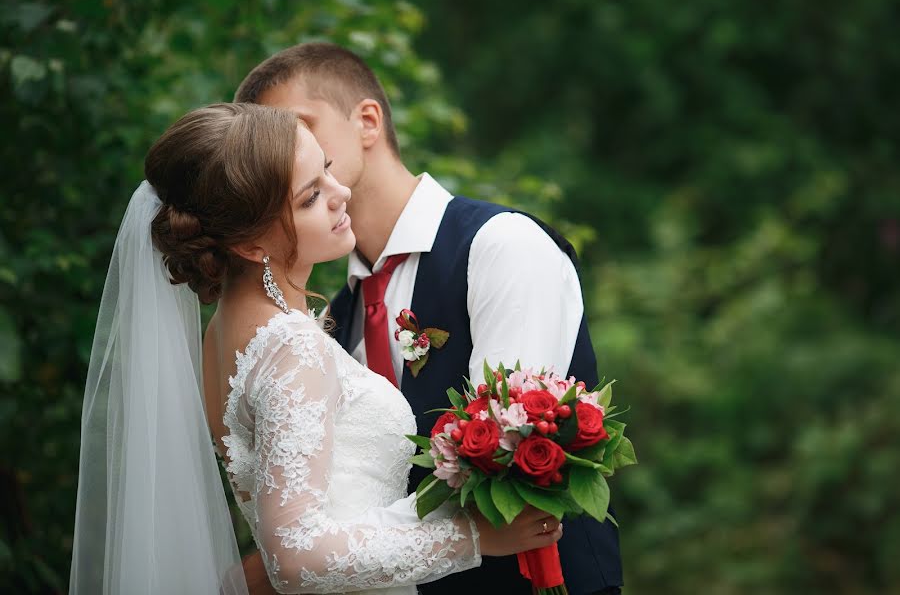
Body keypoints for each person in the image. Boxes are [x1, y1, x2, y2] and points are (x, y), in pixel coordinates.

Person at [68, 102, 562, 595]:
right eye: (310, 197)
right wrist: (473, 536)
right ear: (250, 244)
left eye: (326, 169)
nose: (340, 192)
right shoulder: (290, 347)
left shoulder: (221, 335)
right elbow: (296, 556)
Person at [234, 43, 623, 595]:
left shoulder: (501, 247)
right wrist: (296, 551)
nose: (284, 151)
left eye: (298, 126)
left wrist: (299, 558)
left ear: (367, 121)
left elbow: (505, 463)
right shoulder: (331, 316)